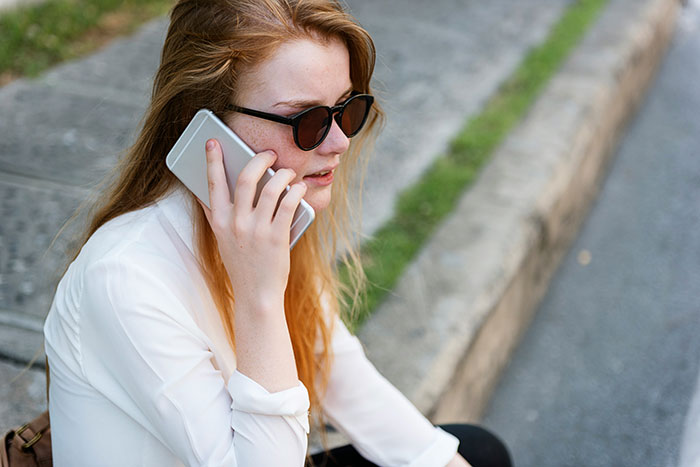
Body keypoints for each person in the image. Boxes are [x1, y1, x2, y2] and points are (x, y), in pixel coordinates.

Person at [43, 0, 512, 466]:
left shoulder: (261, 225)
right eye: (307, 120)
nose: (340, 142)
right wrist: (259, 297)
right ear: (202, 121)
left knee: (472, 452)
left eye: (346, 109)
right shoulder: (124, 279)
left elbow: (340, 374)